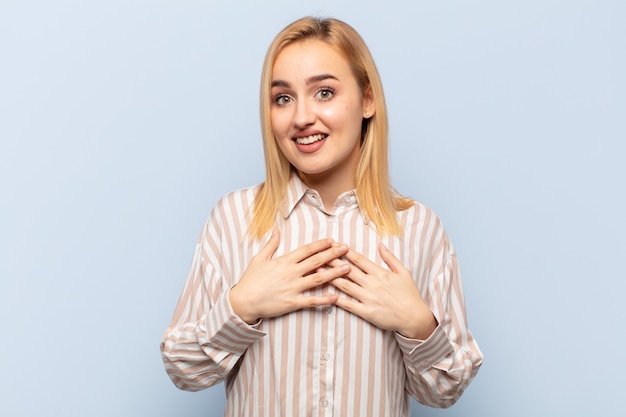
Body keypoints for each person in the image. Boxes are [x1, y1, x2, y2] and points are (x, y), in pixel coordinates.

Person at [161, 16, 482, 417]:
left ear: (368, 100)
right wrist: (241, 306)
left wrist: (418, 325)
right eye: (283, 98)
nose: (301, 118)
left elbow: (443, 392)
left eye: (324, 92)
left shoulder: (419, 230)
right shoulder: (233, 220)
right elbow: (182, 369)